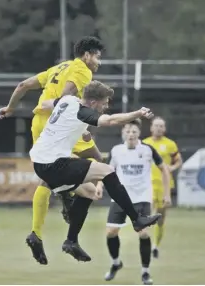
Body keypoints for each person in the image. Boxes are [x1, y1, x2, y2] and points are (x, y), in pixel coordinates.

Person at [0, 36, 104, 264]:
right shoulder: (83, 70)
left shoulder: (58, 67)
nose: (98, 62)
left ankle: (39, 230)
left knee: (50, 173)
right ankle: (68, 207)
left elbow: (23, 85)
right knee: (96, 161)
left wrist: (10, 108)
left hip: (39, 124)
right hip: (60, 124)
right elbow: (64, 97)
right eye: (97, 56)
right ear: (86, 55)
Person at [29, 81, 162, 262]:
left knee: (90, 191)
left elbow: (46, 104)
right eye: (104, 102)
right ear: (92, 103)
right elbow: (111, 120)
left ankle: (71, 241)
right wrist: (138, 113)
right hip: (53, 164)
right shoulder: (82, 111)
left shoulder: (67, 100)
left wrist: (78, 131)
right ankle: (137, 219)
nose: (106, 106)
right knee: (106, 171)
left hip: (40, 162)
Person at [102, 120, 171, 285]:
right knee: (111, 232)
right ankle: (116, 263)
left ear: (139, 133)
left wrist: (167, 193)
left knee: (143, 233)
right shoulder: (116, 151)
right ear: (123, 133)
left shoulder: (147, 150)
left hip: (141, 197)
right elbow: (106, 171)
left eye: (134, 131)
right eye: (127, 131)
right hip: (120, 197)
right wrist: (98, 185)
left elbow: (165, 169)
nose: (131, 134)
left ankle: (145, 272)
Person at [143, 117, 182, 258]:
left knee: (160, 216)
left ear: (164, 129)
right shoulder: (145, 143)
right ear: (151, 128)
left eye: (161, 126)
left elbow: (178, 161)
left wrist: (172, 167)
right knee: (148, 211)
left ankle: (155, 246)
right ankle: (145, 240)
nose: (158, 128)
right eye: (156, 125)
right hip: (148, 183)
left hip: (164, 184)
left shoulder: (170, 144)